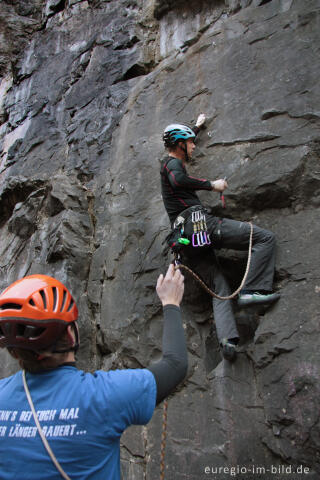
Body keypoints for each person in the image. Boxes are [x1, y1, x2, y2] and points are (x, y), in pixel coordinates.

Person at [0, 264, 187, 479]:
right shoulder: (103, 396)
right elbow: (175, 364)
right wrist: (171, 302)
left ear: (14, 352)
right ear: (71, 335)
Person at [160, 114, 280, 361]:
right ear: (181, 144)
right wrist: (212, 185)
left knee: (219, 286)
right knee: (264, 238)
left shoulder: (171, 160)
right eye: (191, 142)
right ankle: (254, 290)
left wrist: (197, 126)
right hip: (200, 226)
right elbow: (178, 178)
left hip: (186, 241)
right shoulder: (171, 165)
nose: (194, 146)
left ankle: (227, 340)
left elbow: (182, 152)